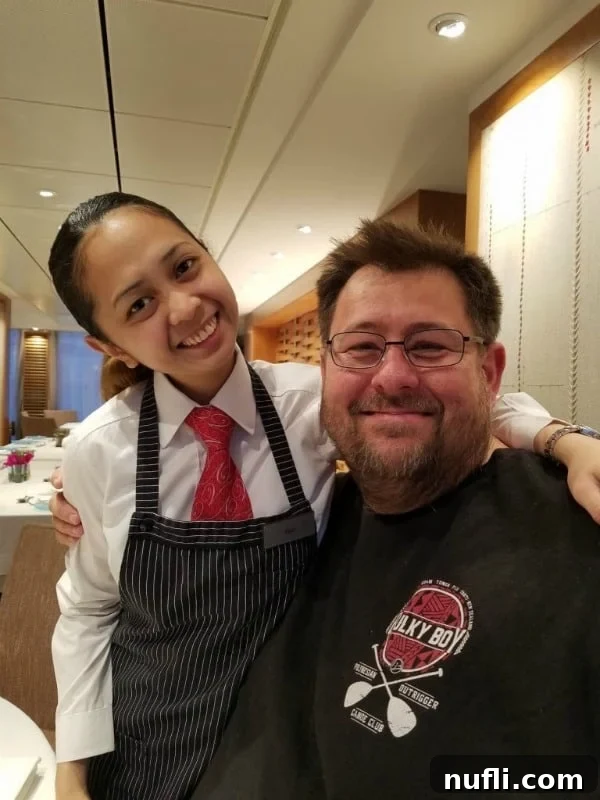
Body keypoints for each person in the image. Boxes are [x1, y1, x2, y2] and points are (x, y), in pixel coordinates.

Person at [47, 195, 600, 800]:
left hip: (265, 727)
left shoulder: (308, 403)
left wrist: (566, 441)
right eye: (139, 304)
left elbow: (456, 396)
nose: (182, 307)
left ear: (208, 256)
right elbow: (88, 610)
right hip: (142, 734)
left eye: (183, 267)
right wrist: (72, 769)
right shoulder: (99, 450)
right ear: (110, 347)